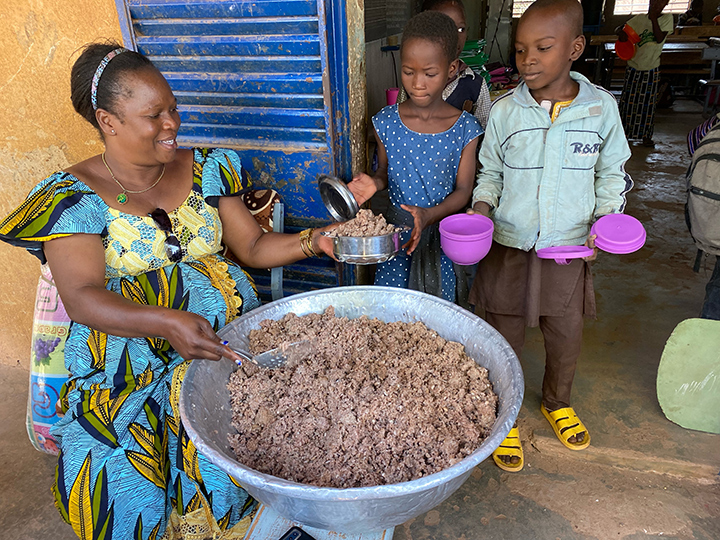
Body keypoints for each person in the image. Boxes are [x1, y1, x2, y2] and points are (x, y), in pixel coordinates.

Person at [0, 42, 335, 540]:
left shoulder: (208, 166)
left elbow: (254, 247)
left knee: (258, 445)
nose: (171, 124)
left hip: (225, 344)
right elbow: (83, 295)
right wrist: (166, 321)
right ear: (108, 120)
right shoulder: (73, 197)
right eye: (153, 116)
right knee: (126, 482)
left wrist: (316, 241)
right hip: (127, 367)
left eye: (173, 107)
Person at [468, 0, 632, 472]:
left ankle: (558, 401)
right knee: (505, 332)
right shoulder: (504, 111)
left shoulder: (601, 109)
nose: (528, 60)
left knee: (566, 330)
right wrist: (482, 209)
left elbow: (611, 173)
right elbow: (491, 173)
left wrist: (606, 219)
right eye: (520, 50)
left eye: (543, 47)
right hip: (509, 243)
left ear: (575, 48)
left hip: (568, 246)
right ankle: (505, 416)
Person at [349, 11, 482, 302]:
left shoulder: (465, 129)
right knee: (392, 319)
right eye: (408, 72)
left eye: (430, 73)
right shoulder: (386, 122)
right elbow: (384, 172)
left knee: (438, 322)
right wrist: (374, 183)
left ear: (451, 69)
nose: (417, 83)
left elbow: (463, 190)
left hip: (441, 239)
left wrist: (429, 215)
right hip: (396, 240)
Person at [397, 0, 492, 130]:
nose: (454, 37)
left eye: (460, 29)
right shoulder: (414, 84)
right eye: (441, 28)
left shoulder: (476, 85)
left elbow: (483, 136)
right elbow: (399, 124)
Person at [617, 0, 674, 147]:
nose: (657, 5)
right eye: (654, 2)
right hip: (633, 66)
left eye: (661, 3)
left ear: (665, 5)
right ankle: (624, 134)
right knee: (628, 102)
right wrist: (620, 33)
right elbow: (620, 28)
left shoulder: (667, 19)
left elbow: (659, 38)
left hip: (651, 67)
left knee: (647, 104)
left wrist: (654, 18)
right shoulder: (639, 19)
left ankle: (646, 136)